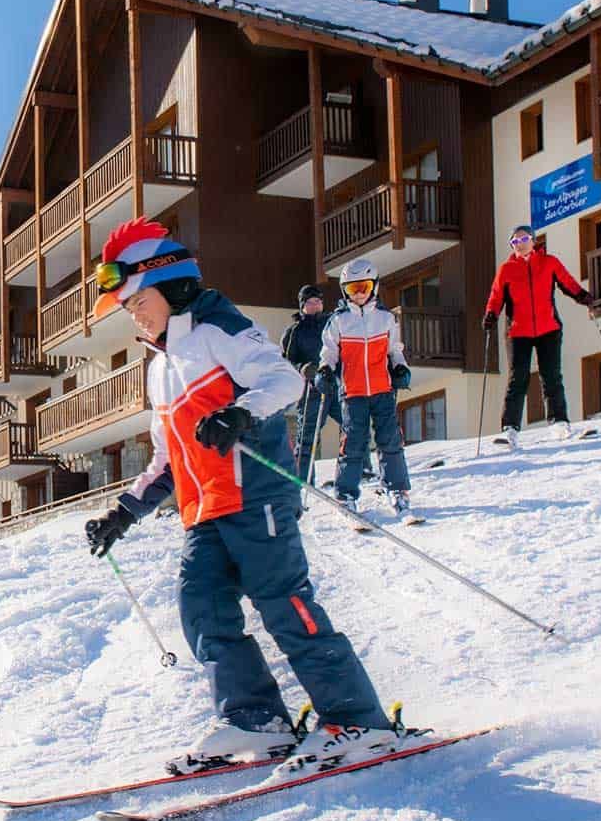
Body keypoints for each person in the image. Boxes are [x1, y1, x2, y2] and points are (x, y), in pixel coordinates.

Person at [81, 218, 403, 778]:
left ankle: (359, 722)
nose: (133, 315)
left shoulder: (218, 328)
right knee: (201, 608)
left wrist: (239, 412)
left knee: (284, 605)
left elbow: (285, 383)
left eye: (136, 301)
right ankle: (256, 719)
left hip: (257, 497)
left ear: (169, 282)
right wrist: (123, 512)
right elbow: (167, 459)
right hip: (203, 510)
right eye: (128, 307)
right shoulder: (159, 369)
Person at [319, 258, 413, 516]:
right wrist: (325, 370)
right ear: (344, 291)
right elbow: (329, 352)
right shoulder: (338, 321)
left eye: (363, 287)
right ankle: (346, 494)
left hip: (382, 389)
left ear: (374, 286)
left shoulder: (386, 319)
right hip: (353, 392)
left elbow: (395, 350)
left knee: (390, 440)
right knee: (353, 443)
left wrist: (400, 367)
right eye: (352, 289)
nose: (359, 294)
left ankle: (397, 489)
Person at [482, 225, 590, 447]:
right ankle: (510, 428)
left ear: (533, 240)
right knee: (517, 378)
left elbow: (567, 282)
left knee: (551, 375)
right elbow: (496, 296)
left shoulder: (549, 262)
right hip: (518, 331)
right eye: (515, 242)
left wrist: (582, 296)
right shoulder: (506, 269)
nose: (519, 244)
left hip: (548, 328)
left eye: (523, 239)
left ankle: (559, 423)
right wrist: (491, 315)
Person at [279, 283, 340, 481]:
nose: (315, 305)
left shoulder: (333, 323)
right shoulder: (295, 331)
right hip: (311, 389)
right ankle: (304, 480)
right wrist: (302, 368)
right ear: (302, 306)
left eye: (318, 301)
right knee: (307, 436)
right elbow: (287, 360)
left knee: (353, 426)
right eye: (310, 302)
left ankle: (361, 470)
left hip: (336, 384)